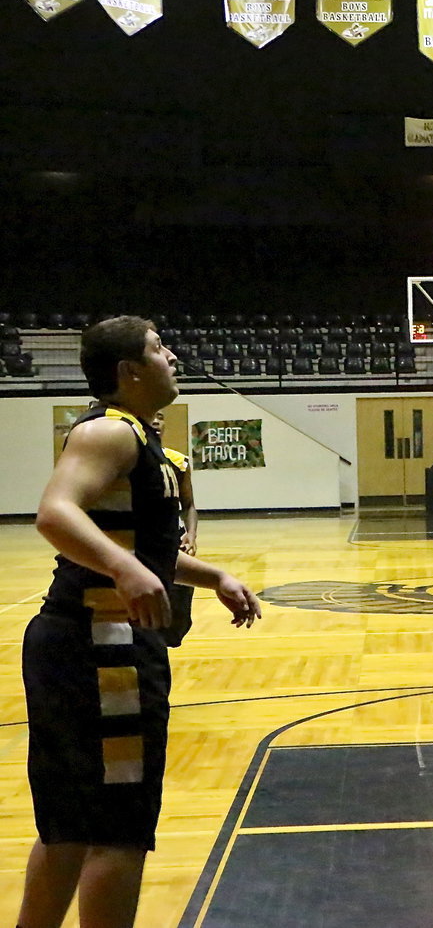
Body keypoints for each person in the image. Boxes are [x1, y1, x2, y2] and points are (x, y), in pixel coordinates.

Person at [18, 316, 261, 928]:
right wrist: (125, 570)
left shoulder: (139, 439)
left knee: (70, 825)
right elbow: (53, 513)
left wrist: (214, 577)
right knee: (118, 828)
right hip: (103, 649)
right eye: (158, 348)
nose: (172, 356)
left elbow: (145, 550)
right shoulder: (110, 432)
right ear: (129, 371)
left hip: (78, 643)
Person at [149, 410, 199, 647]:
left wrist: (191, 535)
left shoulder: (178, 461)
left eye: (161, 416)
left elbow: (189, 505)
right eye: (152, 417)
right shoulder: (130, 458)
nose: (157, 421)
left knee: (179, 614)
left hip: (175, 541)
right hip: (148, 542)